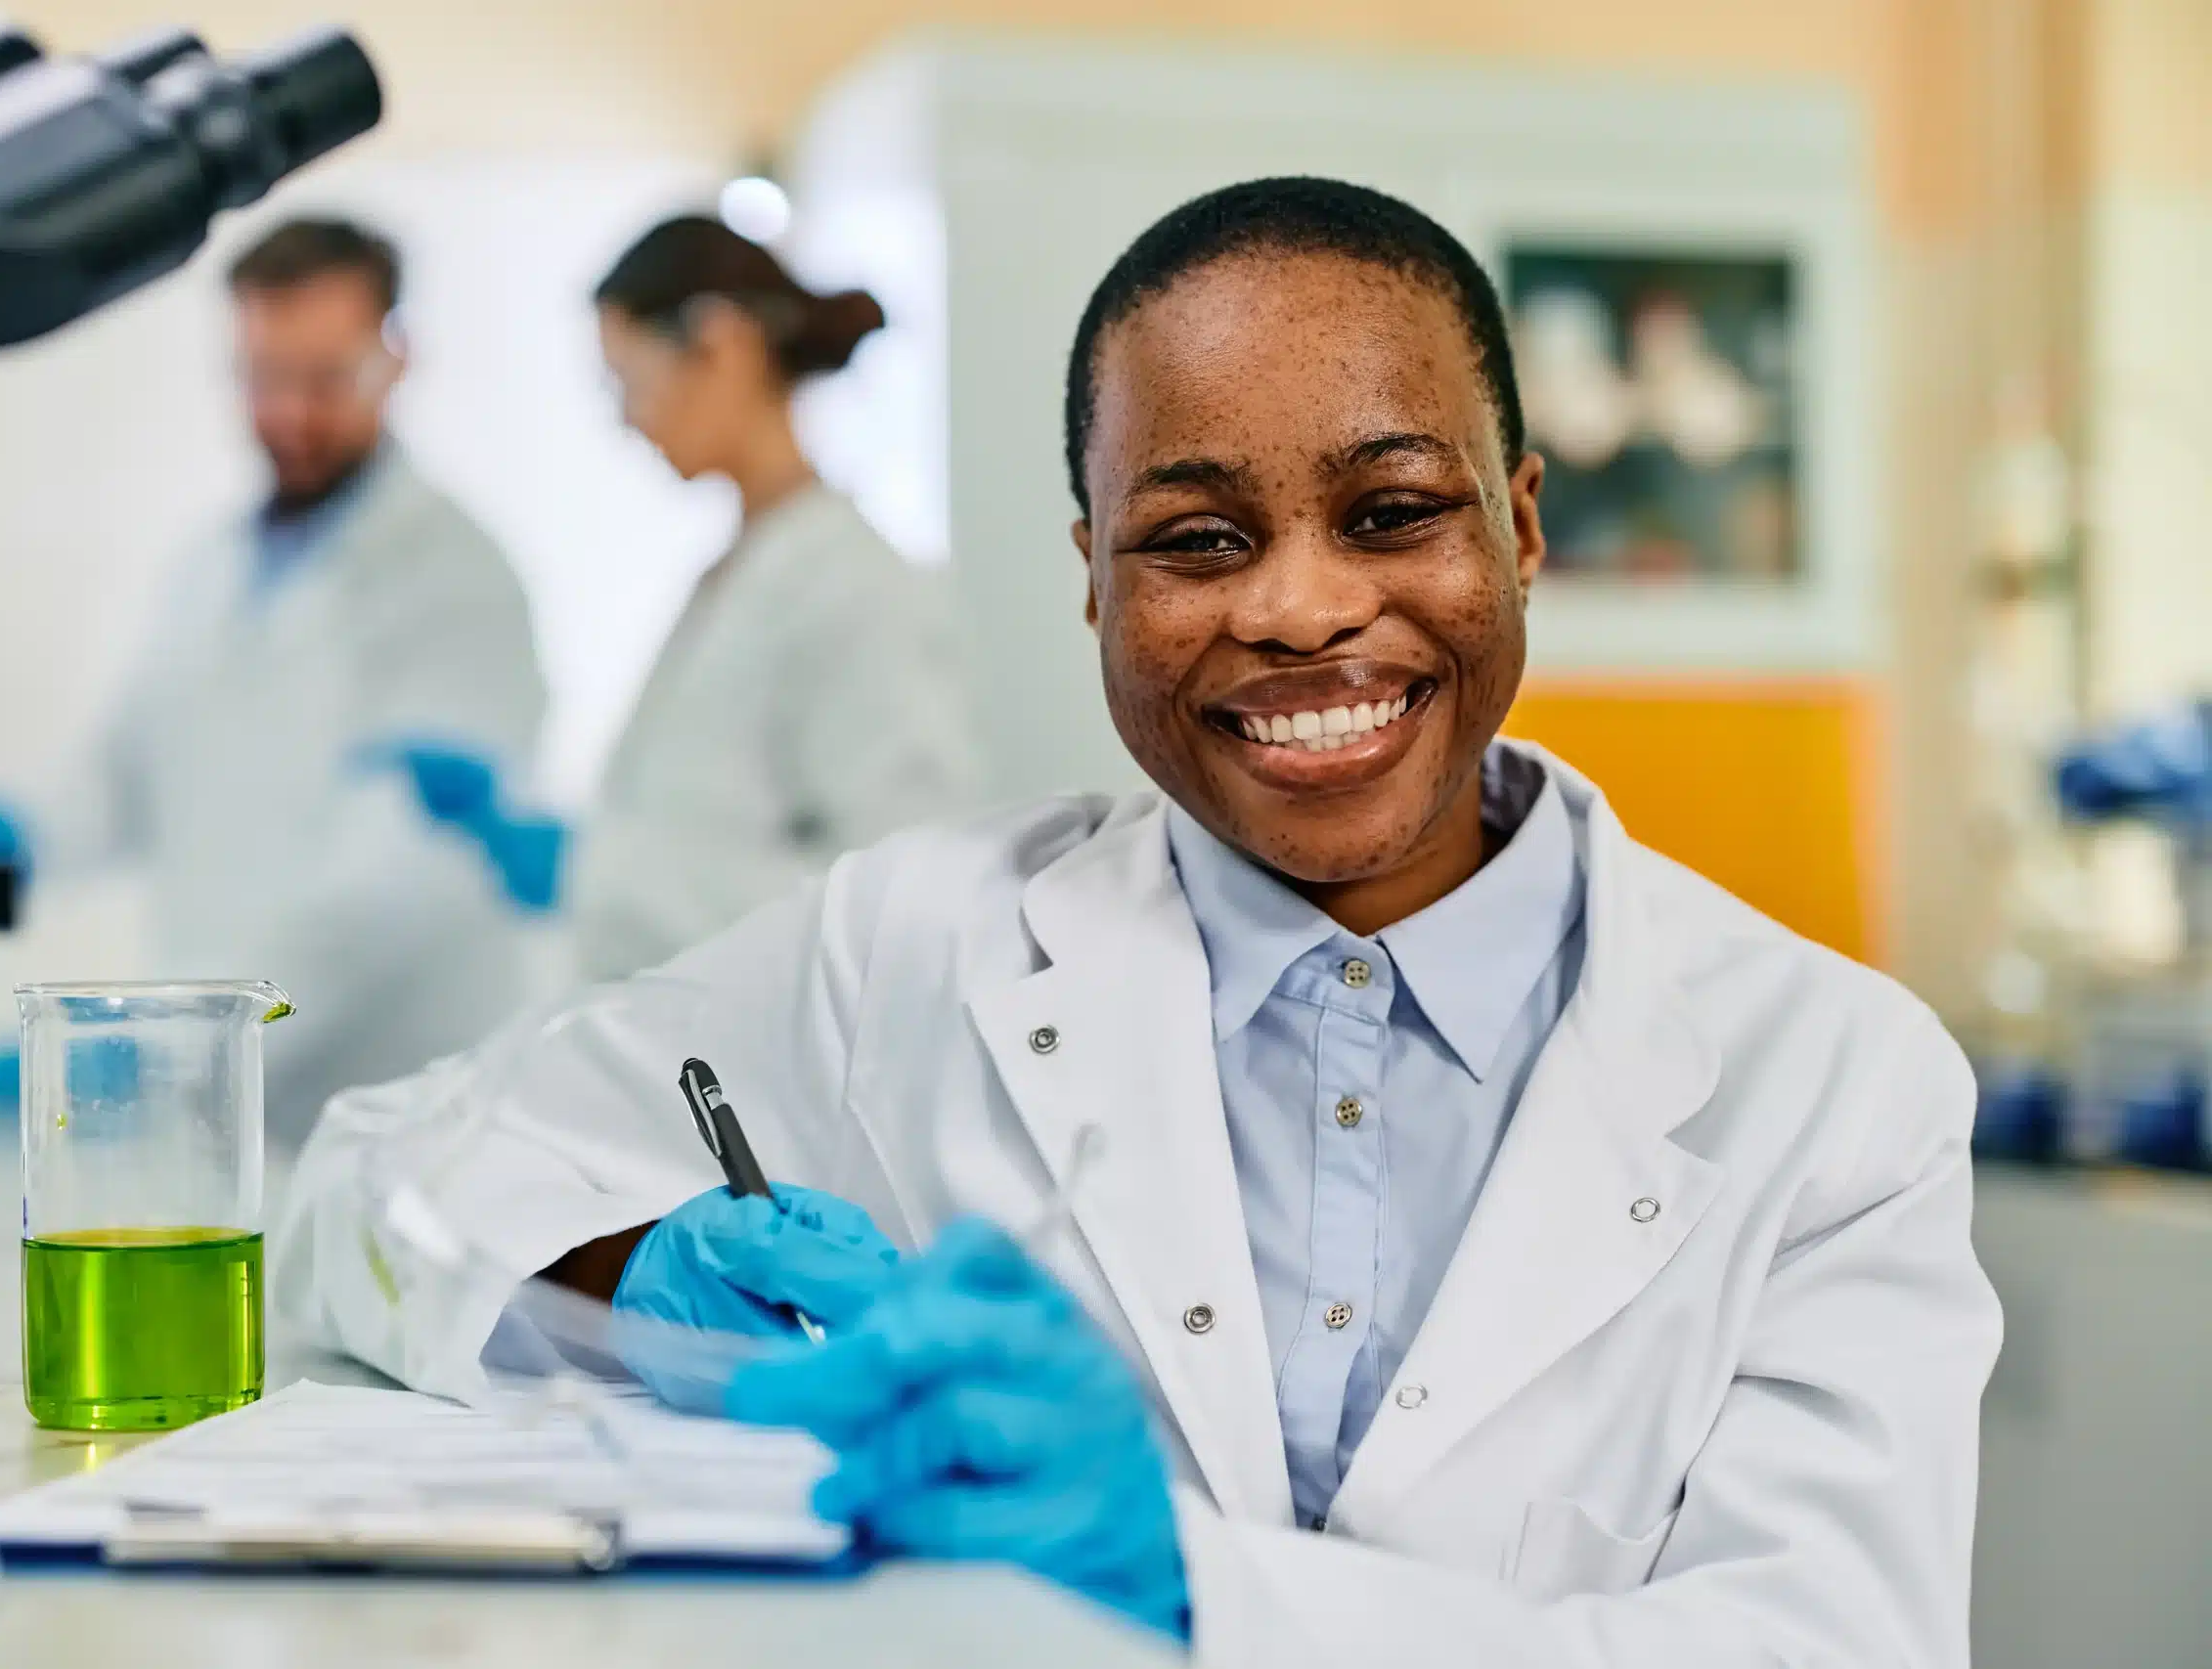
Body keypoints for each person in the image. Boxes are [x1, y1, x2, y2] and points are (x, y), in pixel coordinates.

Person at [277, 180, 2000, 1663]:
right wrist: (627, 1266)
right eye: (1197, 538)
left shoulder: (1836, 1085)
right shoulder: (918, 942)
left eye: (1392, 510)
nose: (1304, 605)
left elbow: (1828, 1641)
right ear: (1093, 571)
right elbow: (378, 1175)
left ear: (1524, 525)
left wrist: (1199, 1592)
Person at [0, 218, 546, 1141]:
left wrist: (165, 1048)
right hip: (218, 1095)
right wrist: (25, 836)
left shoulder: (458, 582)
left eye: (325, 378)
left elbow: (382, 896)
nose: (290, 414)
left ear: (398, 358)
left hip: (390, 1108)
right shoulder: (207, 567)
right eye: (264, 378)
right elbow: (131, 771)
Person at [368, 214, 976, 983]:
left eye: (629, 381)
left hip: (777, 1080)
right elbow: (708, 822)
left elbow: (896, 904)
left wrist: (588, 873)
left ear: (720, 345)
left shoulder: (855, 587)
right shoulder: (748, 566)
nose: (627, 420)